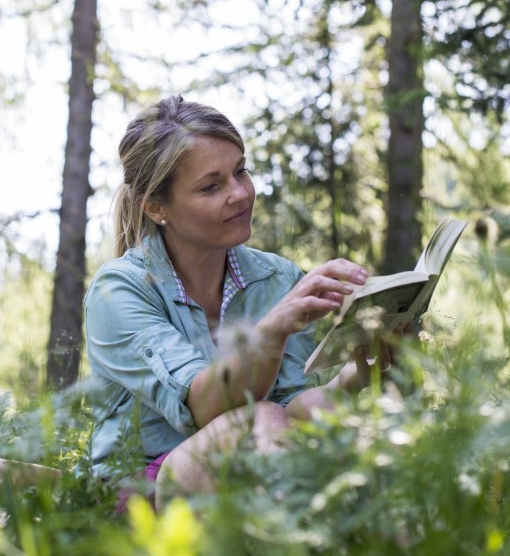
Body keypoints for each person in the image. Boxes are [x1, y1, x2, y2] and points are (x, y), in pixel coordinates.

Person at [85, 95, 392, 511]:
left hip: (253, 467)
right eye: (211, 186)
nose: (240, 194)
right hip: (142, 490)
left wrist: (359, 371)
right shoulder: (119, 291)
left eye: (240, 171)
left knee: (315, 406)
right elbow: (204, 406)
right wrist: (274, 329)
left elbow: (292, 406)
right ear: (158, 208)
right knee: (257, 418)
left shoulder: (278, 278)